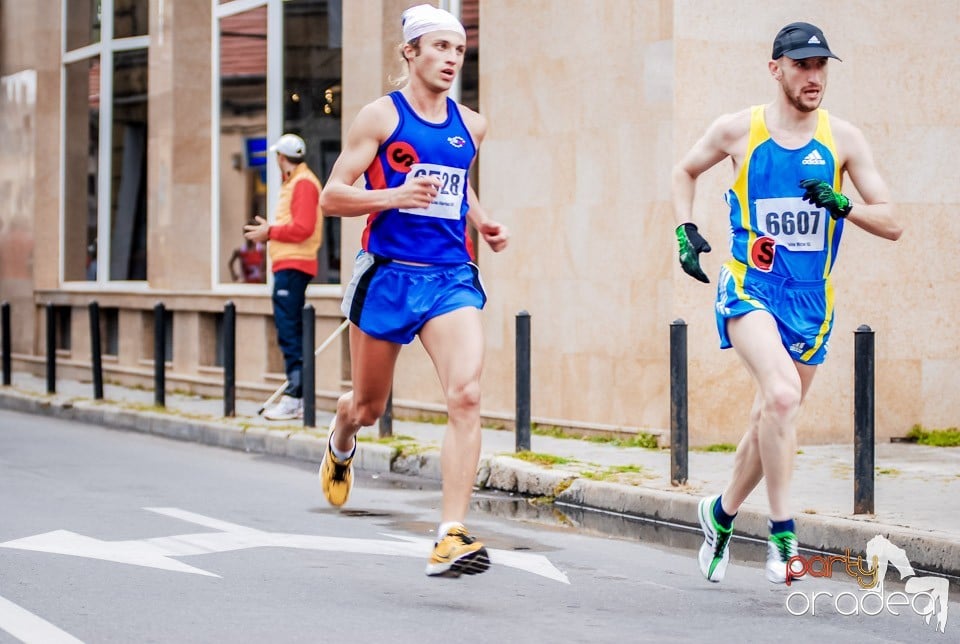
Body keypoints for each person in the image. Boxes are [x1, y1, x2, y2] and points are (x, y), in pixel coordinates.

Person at [671, 22, 902, 584]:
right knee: (779, 394)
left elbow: (893, 222)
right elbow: (684, 170)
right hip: (749, 285)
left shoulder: (843, 139)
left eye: (821, 65)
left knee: (770, 417)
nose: (813, 75)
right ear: (776, 69)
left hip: (810, 304)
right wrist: (684, 229)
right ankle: (782, 539)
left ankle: (719, 514)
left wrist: (842, 204)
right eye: (801, 64)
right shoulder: (738, 131)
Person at [317, 4, 508, 578]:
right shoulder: (380, 117)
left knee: (467, 394)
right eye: (441, 48)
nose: (452, 59)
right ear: (411, 52)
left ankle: (450, 533)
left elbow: (455, 183)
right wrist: (393, 197)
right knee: (369, 406)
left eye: (459, 50)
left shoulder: (471, 124)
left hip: (450, 275)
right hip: (389, 273)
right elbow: (332, 196)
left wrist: (481, 220)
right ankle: (342, 436)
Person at [244, 133, 324, 421]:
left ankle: (295, 398)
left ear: (280, 158)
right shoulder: (298, 181)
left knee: (289, 333)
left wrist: (271, 232)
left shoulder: (302, 183)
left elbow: (302, 227)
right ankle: (296, 396)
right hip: (291, 265)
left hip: (293, 266)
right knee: (290, 331)